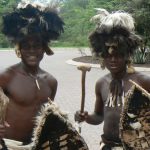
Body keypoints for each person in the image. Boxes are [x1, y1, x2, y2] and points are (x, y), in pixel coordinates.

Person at [75, 10, 150, 149]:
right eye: (108, 55)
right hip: (107, 145)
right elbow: (99, 116)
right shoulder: (101, 83)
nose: (113, 59)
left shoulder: (142, 81)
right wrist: (86, 117)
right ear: (102, 56)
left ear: (127, 55)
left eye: (118, 55)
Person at [0, 0, 64, 144]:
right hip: (9, 145)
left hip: (37, 146)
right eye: (26, 46)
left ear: (44, 49)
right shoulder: (6, 76)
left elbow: (48, 116)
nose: (32, 51)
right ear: (19, 49)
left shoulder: (51, 82)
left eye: (37, 46)